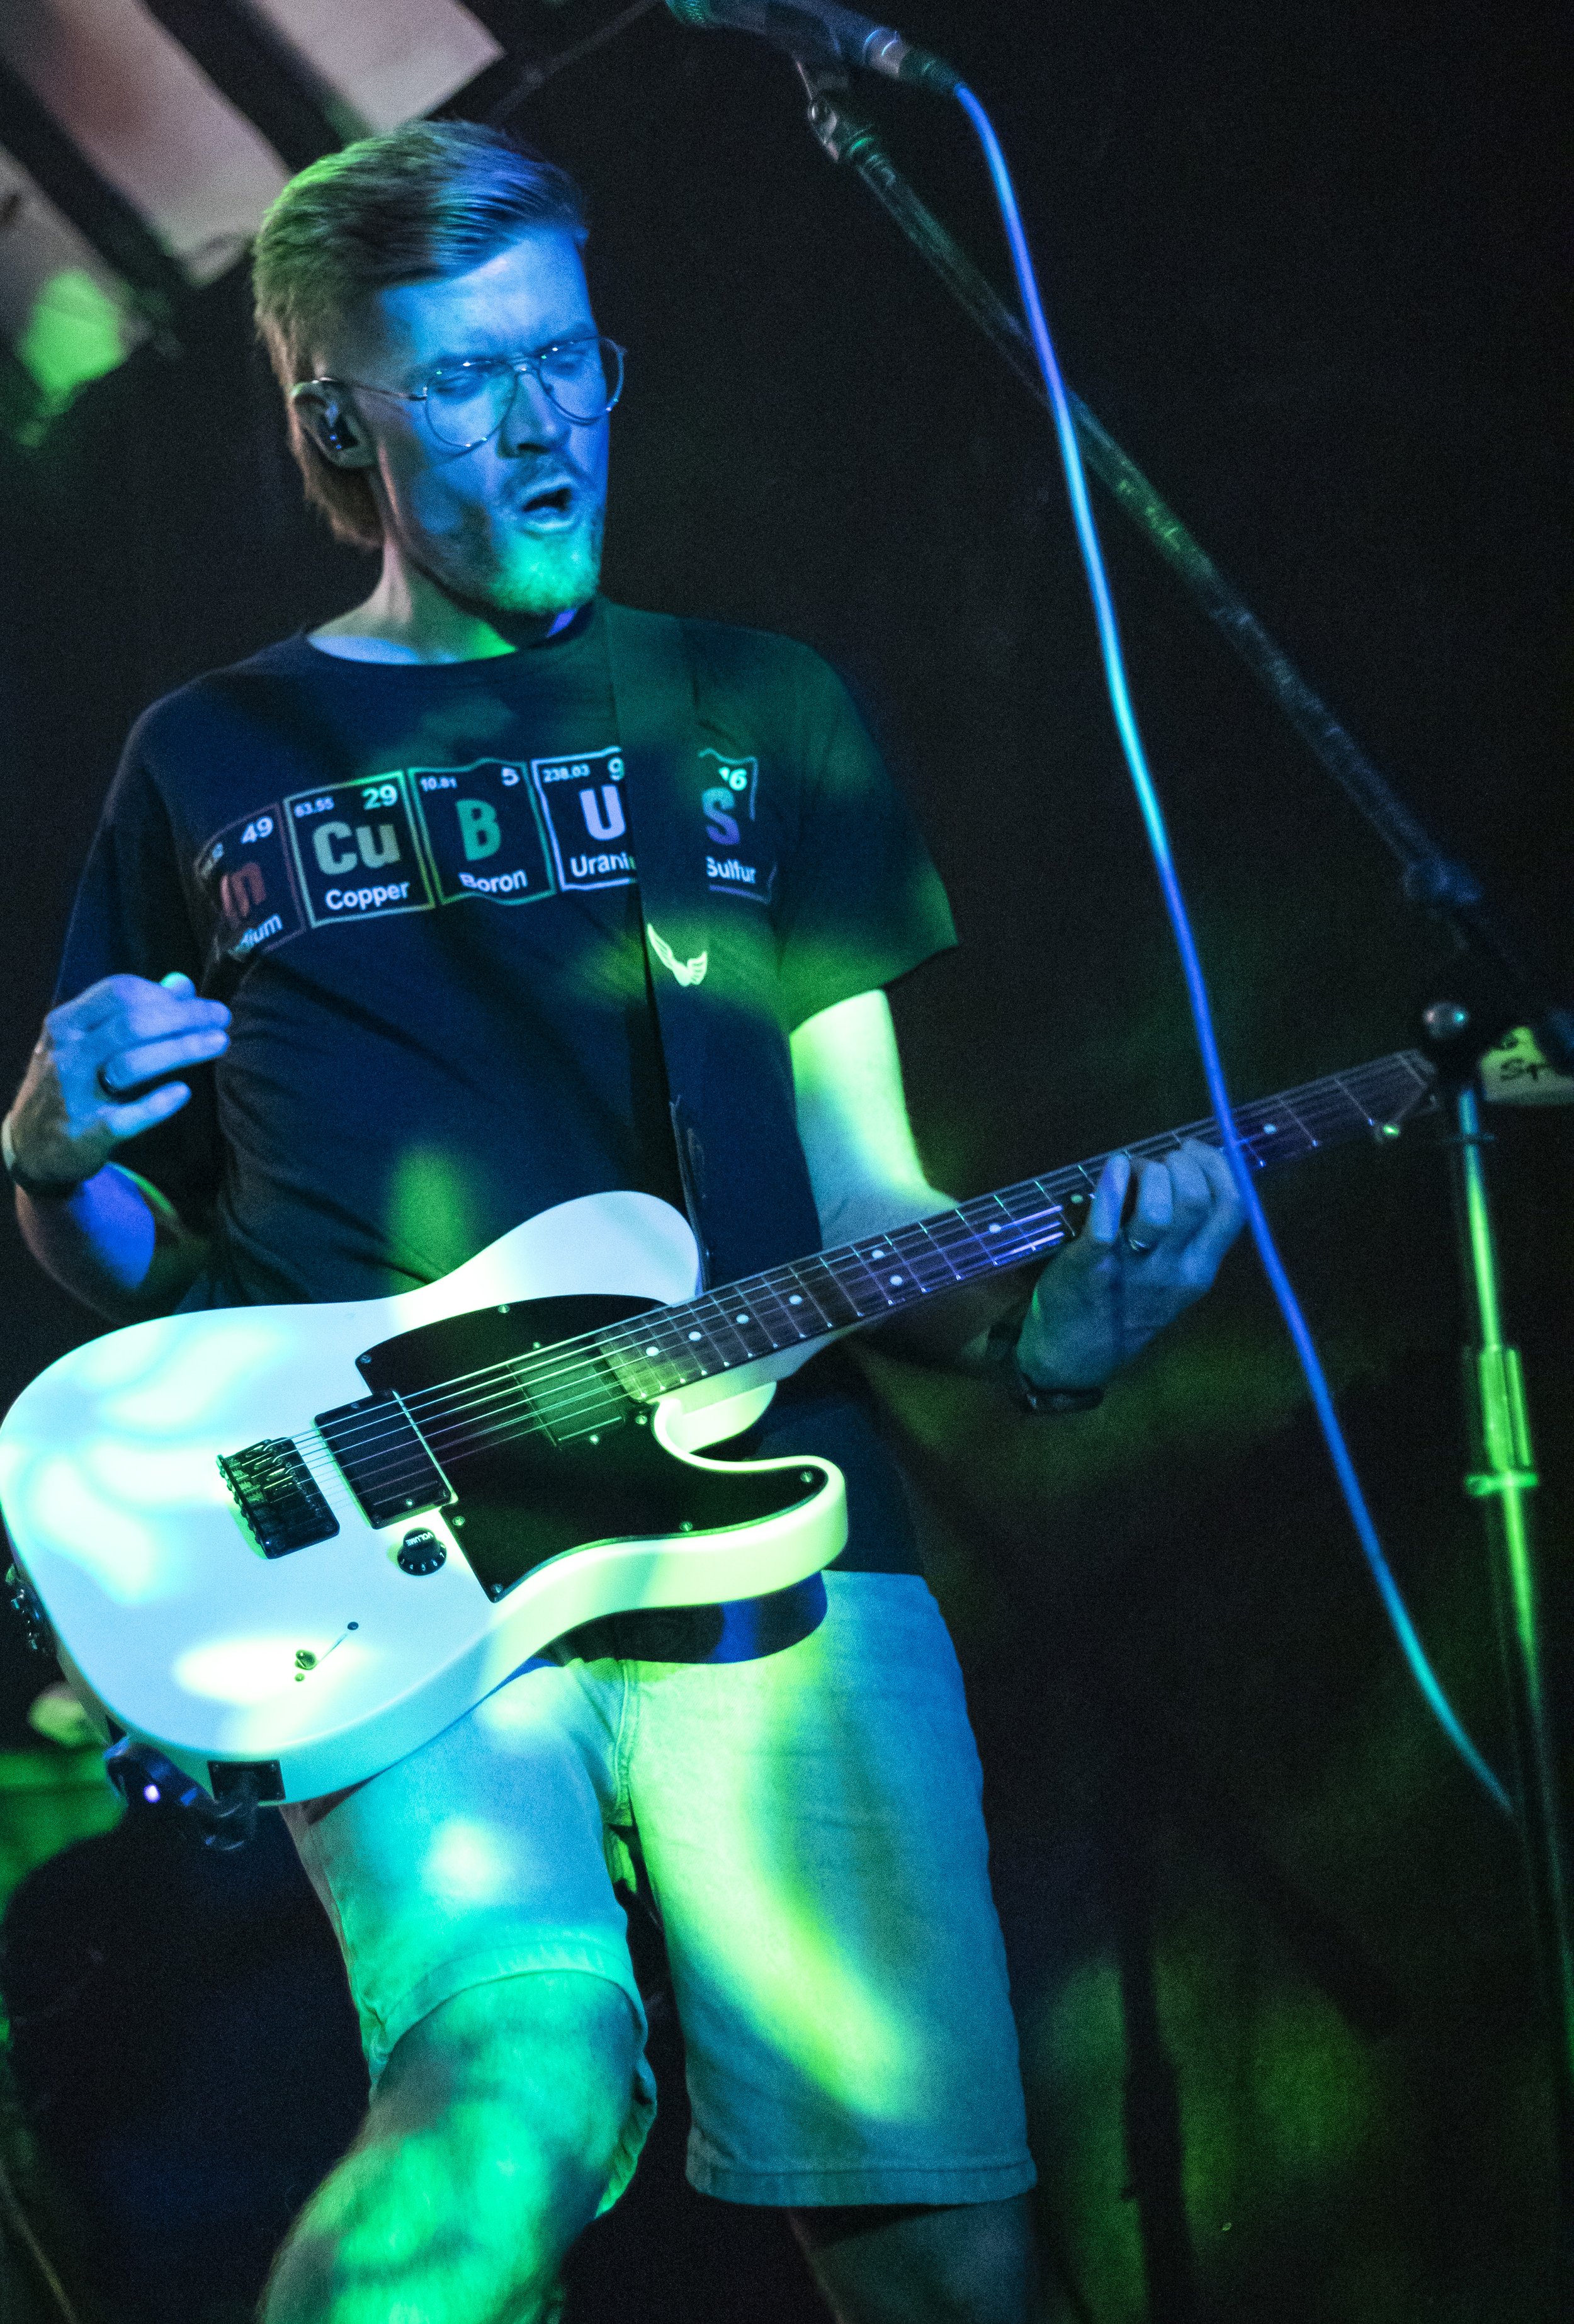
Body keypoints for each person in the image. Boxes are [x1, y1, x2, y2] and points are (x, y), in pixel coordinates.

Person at [3, 125, 1243, 2324]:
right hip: (390, 1564)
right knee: (510, 2087)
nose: (546, 419)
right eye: (468, 381)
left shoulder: (755, 711)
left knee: (947, 2244)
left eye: (570, 360)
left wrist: (1053, 1331)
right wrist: (46, 1151)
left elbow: (870, 1203)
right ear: (333, 424)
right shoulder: (210, 754)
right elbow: (139, 1277)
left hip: (784, 1532)